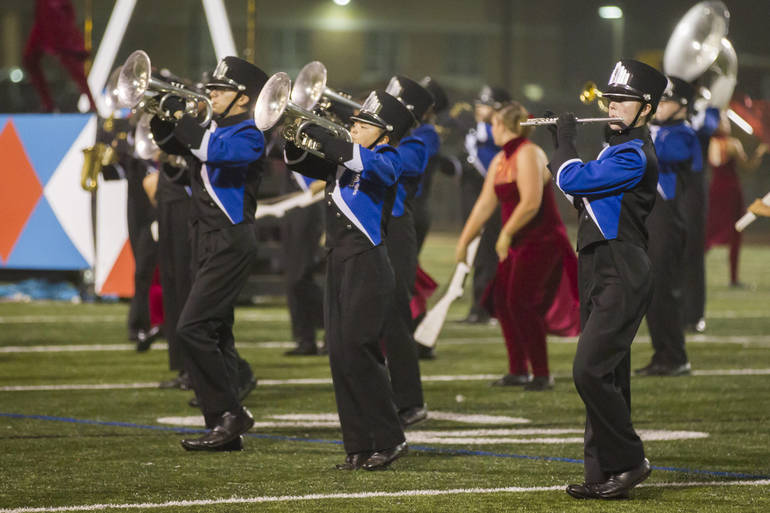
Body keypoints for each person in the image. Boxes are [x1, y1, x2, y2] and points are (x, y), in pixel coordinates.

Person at [548, 59, 668, 499]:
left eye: (623, 101)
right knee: (609, 375)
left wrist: (563, 144)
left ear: (647, 109)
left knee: (589, 371)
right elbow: (576, 189)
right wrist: (562, 150)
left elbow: (572, 178)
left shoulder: (634, 155)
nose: (612, 106)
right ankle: (603, 472)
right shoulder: (614, 150)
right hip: (599, 266)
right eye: (610, 99)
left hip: (622, 269)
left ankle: (630, 460)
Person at [284, 90, 414, 470]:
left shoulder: (389, 157)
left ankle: (389, 439)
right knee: (340, 354)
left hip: (368, 262)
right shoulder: (346, 159)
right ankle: (357, 444)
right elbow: (303, 162)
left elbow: (378, 170)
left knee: (359, 348)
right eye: (355, 123)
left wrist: (330, 138)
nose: (354, 127)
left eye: (363, 125)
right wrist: (292, 136)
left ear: (384, 133)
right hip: (338, 261)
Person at [149, 56, 267, 451]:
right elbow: (176, 148)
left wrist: (184, 119)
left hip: (230, 238)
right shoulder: (214, 127)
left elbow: (213, 152)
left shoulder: (250, 134)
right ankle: (222, 426)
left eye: (220, 89)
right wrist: (163, 119)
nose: (211, 93)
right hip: (204, 236)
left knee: (192, 328)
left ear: (243, 99)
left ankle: (232, 412)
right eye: (212, 87)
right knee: (216, 332)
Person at [455, 102, 579, 391]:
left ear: (506, 126)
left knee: (521, 302)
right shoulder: (501, 159)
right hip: (517, 241)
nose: (491, 128)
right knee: (500, 299)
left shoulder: (528, 153)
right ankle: (518, 370)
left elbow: (531, 202)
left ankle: (541, 373)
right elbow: (485, 204)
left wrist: (505, 234)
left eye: (495, 123)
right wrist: (464, 241)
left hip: (542, 240)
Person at [636, 76, 702, 377]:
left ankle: (676, 355)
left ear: (682, 105)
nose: (659, 106)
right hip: (651, 219)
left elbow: (664, 156)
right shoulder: (653, 132)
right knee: (652, 290)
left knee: (665, 289)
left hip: (670, 221)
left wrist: (635, 129)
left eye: (666, 101)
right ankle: (662, 353)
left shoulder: (685, 134)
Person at [382, 75, 437, 424]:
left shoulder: (417, 141)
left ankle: (409, 401)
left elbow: (399, 165)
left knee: (395, 316)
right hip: (368, 228)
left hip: (397, 228)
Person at [461, 85, 510, 324]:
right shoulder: (480, 131)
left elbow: (485, 135)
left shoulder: (501, 130)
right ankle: (480, 307)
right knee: (480, 252)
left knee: (489, 253)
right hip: (480, 195)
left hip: (499, 198)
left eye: (486, 105)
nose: (479, 109)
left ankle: (486, 308)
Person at [705, 113, 768, 287]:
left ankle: (691, 268)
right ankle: (733, 278)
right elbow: (748, 166)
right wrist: (760, 152)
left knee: (710, 231)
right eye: (724, 121)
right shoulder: (732, 143)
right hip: (731, 191)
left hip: (715, 190)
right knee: (735, 232)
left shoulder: (708, 143)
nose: (727, 124)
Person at [682, 105, 720, 333]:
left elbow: (709, 127)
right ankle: (675, 312)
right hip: (672, 195)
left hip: (693, 193)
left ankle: (694, 314)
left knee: (693, 255)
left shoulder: (705, 115)